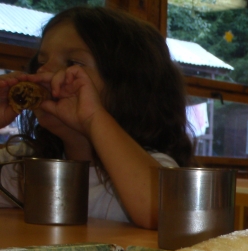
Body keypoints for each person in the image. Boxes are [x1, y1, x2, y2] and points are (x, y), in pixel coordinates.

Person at [0, 6, 192, 229]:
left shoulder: (153, 167)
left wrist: (93, 117)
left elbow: (168, 216)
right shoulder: (25, 165)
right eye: (41, 62)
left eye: (73, 63)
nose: (43, 72)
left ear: (127, 89)